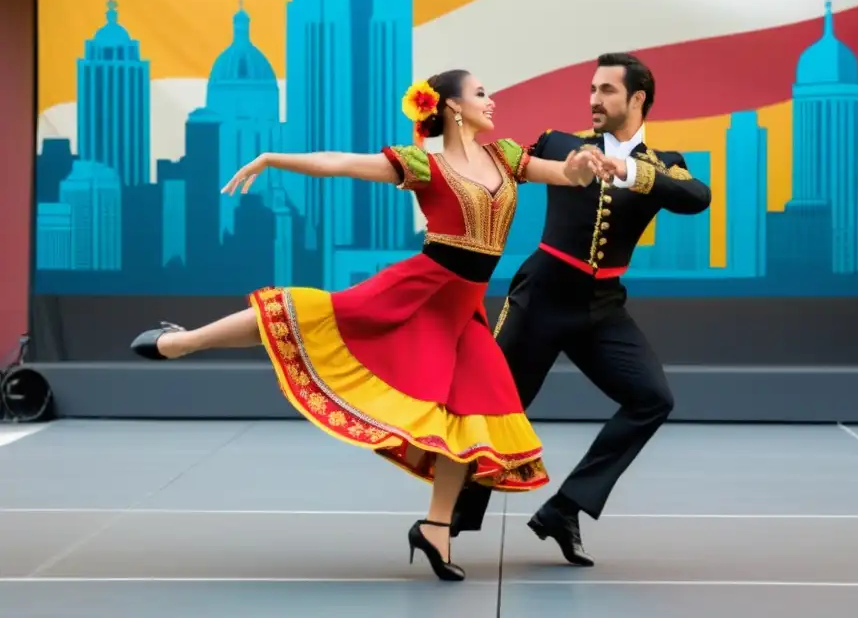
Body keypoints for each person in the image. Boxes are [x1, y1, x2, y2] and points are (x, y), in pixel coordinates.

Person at [129, 70, 607, 582]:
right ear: (450, 106)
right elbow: (339, 164)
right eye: (481, 93)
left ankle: (435, 528)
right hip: (421, 286)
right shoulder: (425, 163)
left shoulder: (507, 158)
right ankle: (182, 342)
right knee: (307, 314)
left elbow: (569, 176)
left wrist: (580, 164)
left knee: (468, 410)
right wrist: (272, 159)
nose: (491, 102)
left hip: (464, 306)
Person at [450, 52, 712, 566]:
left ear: (637, 99)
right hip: (541, 296)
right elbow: (498, 165)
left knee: (652, 399)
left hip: (602, 308)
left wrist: (632, 171)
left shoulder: (666, 164)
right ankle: (449, 520)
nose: (594, 98)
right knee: (497, 405)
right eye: (592, 89)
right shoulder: (561, 144)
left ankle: (565, 510)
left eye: (607, 90)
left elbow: (695, 196)